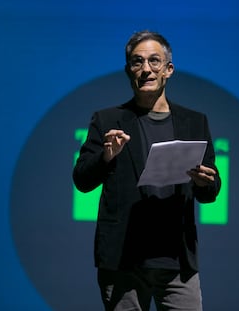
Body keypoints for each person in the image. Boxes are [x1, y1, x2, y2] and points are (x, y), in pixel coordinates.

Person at [73, 30, 221, 311]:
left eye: (154, 61)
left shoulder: (195, 121)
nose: (146, 69)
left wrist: (205, 182)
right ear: (129, 70)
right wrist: (106, 157)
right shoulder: (107, 120)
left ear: (169, 69)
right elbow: (81, 179)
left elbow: (210, 190)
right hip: (123, 259)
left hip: (176, 258)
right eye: (137, 62)